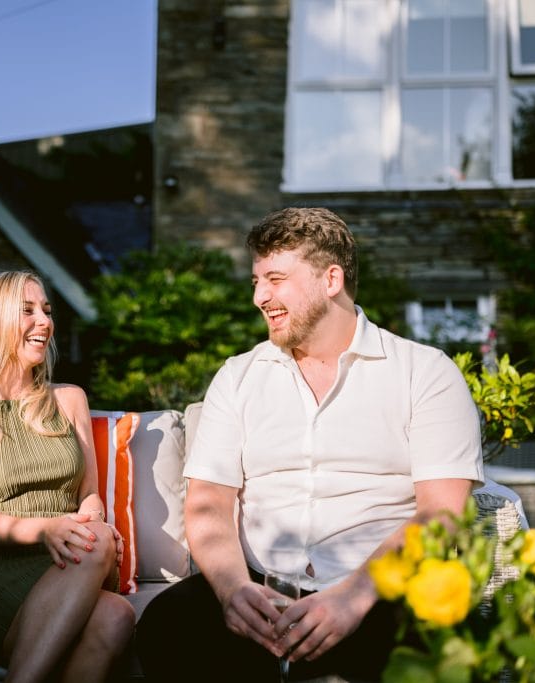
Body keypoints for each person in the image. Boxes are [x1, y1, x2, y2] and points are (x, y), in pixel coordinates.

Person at [136, 207, 484, 682]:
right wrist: (234, 591)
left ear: (331, 279)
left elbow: (441, 513)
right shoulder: (238, 377)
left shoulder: (424, 373)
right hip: (260, 593)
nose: (260, 296)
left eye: (275, 279)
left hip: (382, 592)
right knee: (167, 626)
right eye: (257, 281)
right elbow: (208, 502)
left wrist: (353, 597)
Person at [0, 270, 134, 683]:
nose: (45, 321)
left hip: (72, 558)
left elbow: (89, 494)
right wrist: (47, 529)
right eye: (27, 311)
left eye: (46, 310)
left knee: (115, 610)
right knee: (110, 607)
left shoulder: (69, 399)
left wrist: (91, 520)